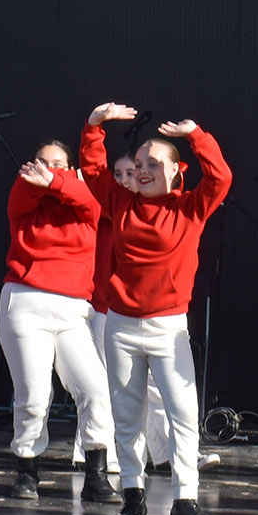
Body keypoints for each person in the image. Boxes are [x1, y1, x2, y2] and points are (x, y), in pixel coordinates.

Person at [80, 104, 232, 515]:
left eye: (154, 165)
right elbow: (93, 171)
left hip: (168, 328)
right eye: (140, 164)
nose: (144, 171)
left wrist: (196, 134)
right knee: (127, 417)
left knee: (183, 414)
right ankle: (133, 497)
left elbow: (220, 177)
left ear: (175, 170)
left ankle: (185, 500)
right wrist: (94, 126)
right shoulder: (121, 202)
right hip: (122, 326)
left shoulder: (190, 208)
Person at [0, 140, 116, 501]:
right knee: (34, 395)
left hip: (73, 310)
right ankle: (27, 467)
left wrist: (58, 181)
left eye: (57, 164)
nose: (47, 169)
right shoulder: (23, 200)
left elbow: (89, 200)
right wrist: (45, 181)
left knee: (95, 389)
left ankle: (96, 476)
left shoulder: (86, 205)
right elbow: (23, 190)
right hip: (25, 303)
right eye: (41, 162)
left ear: (72, 171)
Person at [90, 151, 170, 474]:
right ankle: (113, 458)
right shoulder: (107, 211)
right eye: (119, 174)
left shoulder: (146, 214)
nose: (125, 180)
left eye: (130, 173)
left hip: (145, 315)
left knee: (155, 389)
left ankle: (167, 455)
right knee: (115, 388)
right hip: (104, 310)